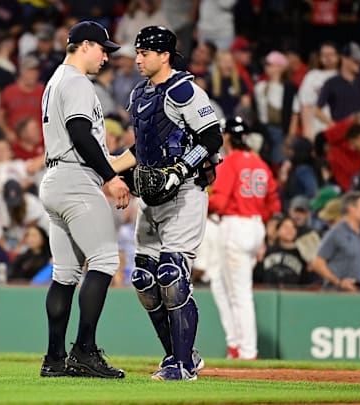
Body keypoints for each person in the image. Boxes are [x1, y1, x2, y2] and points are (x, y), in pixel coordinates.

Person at [111, 26, 223, 380]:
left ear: (165, 56)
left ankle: (185, 366)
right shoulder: (140, 93)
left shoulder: (183, 89)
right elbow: (143, 149)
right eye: (138, 52)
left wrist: (181, 168)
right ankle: (177, 355)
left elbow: (212, 137)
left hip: (185, 192)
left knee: (172, 275)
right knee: (144, 279)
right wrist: (115, 169)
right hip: (151, 195)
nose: (138, 58)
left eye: (145, 52)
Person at [38, 20, 129, 380]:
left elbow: (78, 140)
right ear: (85, 45)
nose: (106, 56)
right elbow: (79, 132)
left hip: (56, 178)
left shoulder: (56, 80)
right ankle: (85, 351)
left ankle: (54, 358)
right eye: (103, 48)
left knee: (64, 274)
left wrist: (123, 159)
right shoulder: (76, 81)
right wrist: (110, 179)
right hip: (77, 179)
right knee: (105, 261)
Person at [208, 116, 281, 361]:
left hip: (235, 226)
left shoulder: (231, 162)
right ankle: (236, 345)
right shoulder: (260, 164)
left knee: (239, 293)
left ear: (227, 136)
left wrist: (201, 204)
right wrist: (259, 225)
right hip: (255, 226)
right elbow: (274, 203)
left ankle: (246, 351)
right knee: (219, 281)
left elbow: (218, 201)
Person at [310, 191, 360, 291]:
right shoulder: (336, 233)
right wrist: (338, 282)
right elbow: (317, 263)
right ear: (352, 209)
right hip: (336, 294)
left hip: (357, 294)